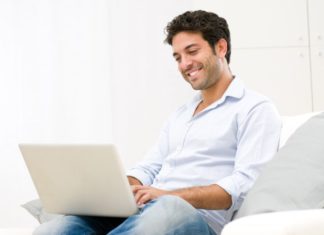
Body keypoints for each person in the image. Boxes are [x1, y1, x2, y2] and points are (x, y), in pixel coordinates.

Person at [34, 10, 281, 235]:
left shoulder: (255, 109)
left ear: (221, 47)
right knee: (58, 228)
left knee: (169, 210)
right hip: (147, 211)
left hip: (194, 218)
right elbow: (150, 167)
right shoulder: (181, 115)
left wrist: (168, 195)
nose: (184, 64)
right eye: (177, 57)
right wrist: (120, 189)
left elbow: (244, 185)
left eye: (192, 52)